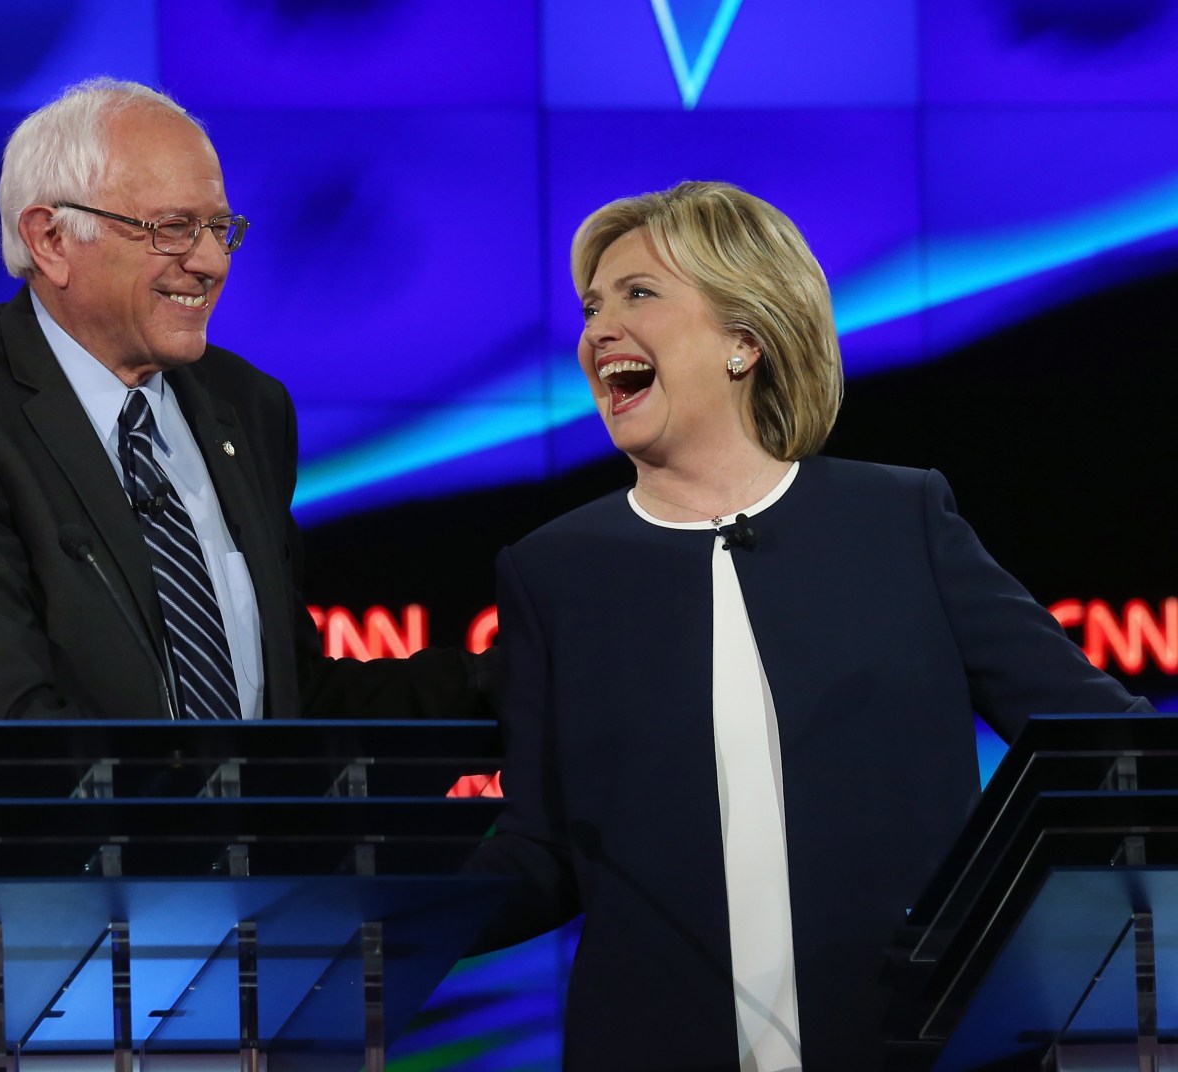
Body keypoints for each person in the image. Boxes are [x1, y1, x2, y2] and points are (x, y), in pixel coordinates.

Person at [464, 181, 1149, 1071]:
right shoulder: (553, 569)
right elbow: (541, 851)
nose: (597, 330)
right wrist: (378, 917)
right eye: (592, 304)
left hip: (919, 1047)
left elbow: (1101, 746)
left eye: (638, 295)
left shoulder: (900, 520)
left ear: (745, 340)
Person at [0, 78, 492, 740]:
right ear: (50, 240)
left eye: (218, 228)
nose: (210, 262)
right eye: (173, 228)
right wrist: (199, 816)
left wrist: (514, 685)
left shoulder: (247, 406)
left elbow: (289, 707)